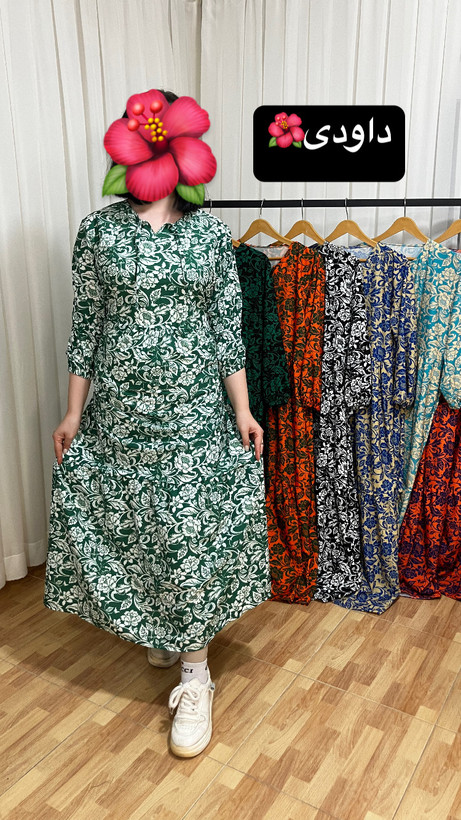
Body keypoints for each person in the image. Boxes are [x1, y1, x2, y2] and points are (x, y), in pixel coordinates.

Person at [43, 88, 271, 758]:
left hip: (193, 412)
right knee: (138, 523)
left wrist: (242, 408)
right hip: (118, 411)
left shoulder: (210, 236)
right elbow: (87, 327)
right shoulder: (98, 231)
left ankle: (196, 675)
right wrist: (73, 410)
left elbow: (225, 330)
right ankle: (164, 627)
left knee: (188, 530)